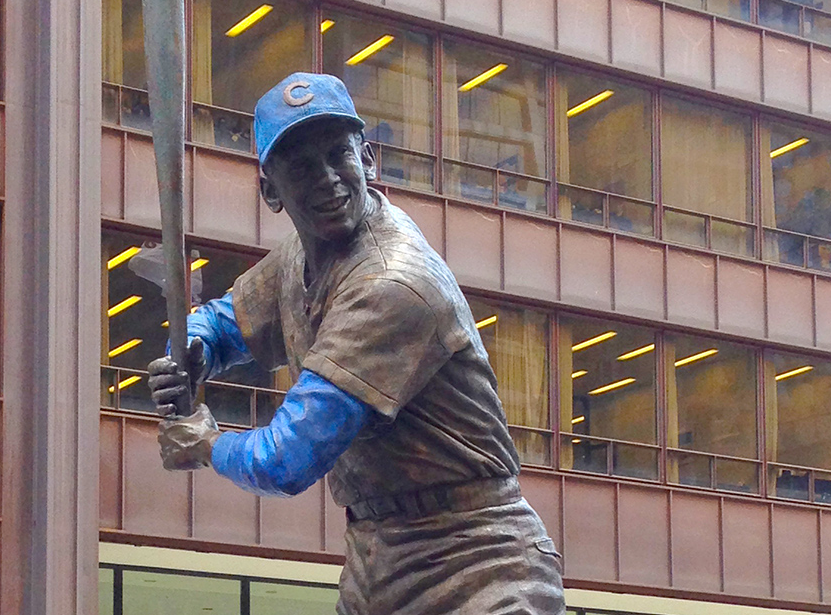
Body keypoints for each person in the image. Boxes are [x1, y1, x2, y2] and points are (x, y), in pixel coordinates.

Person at [148, 72, 565, 615]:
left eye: (337, 155)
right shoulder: (301, 255)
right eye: (300, 165)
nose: (326, 179)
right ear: (271, 189)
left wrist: (203, 441)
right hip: (376, 557)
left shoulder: (391, 283)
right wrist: (197, 347)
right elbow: (226, 320)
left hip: (479, 562)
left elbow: (286, 460)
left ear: (367, 159)